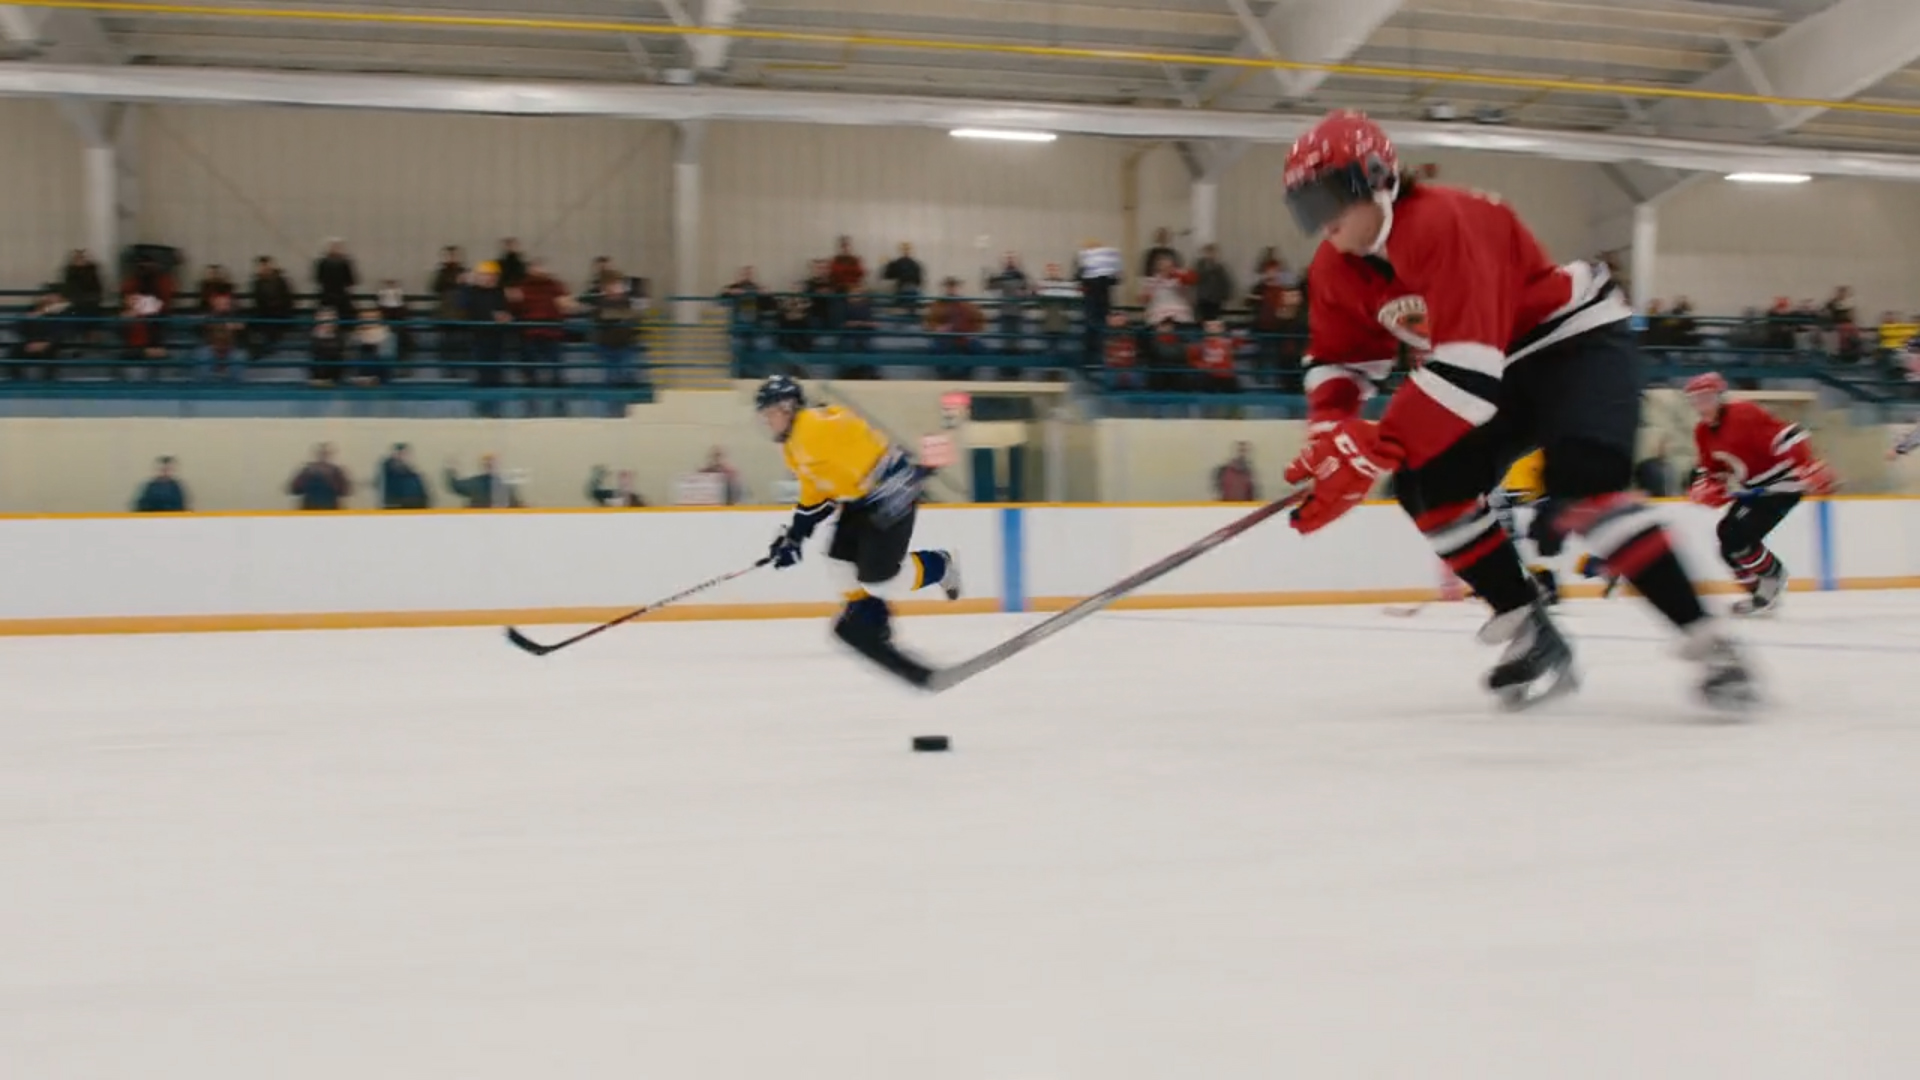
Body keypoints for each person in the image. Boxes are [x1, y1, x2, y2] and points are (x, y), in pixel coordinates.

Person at [1276, 109, 1755, 711]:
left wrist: (1369, 450)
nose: (1321, 222)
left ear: (1376, 178)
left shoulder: (1443, 222)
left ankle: (1712, 644)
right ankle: (1531, 629)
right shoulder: (1334, 268)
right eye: (1305, 208)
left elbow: (1468, 376)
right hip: (1486, 364)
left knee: (1586, 487)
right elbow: (1341, 362)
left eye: (1325, 198)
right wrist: (1331, 432)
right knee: (1427, 485)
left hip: (1572, 343)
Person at [754, 374, 962, 678]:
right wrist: (795, 536)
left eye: (770, 413)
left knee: (881, 580)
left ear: (787, 408)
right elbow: (817, 493)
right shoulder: (794, 445)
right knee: (838, 561)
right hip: (863, 498)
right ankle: (874, 620)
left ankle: (939, 565)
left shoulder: (813, 427)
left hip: (891, 491)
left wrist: (912, 473)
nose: (767, 421)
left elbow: (847, 435)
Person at [1685, 371, 1835, 617]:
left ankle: (1773, 576)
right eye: (1695, 399)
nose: (1701, 405)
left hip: (1782, 486)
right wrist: (1705, 486)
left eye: (1706, 397)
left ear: (1720, 396)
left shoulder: (1744, 414)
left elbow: (1790, 435)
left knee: (1739, 537)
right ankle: (1762, 594)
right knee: (1726, 541)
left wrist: (1808, 465)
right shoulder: (1702, 431)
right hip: (1753, 489)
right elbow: (1712, 469)